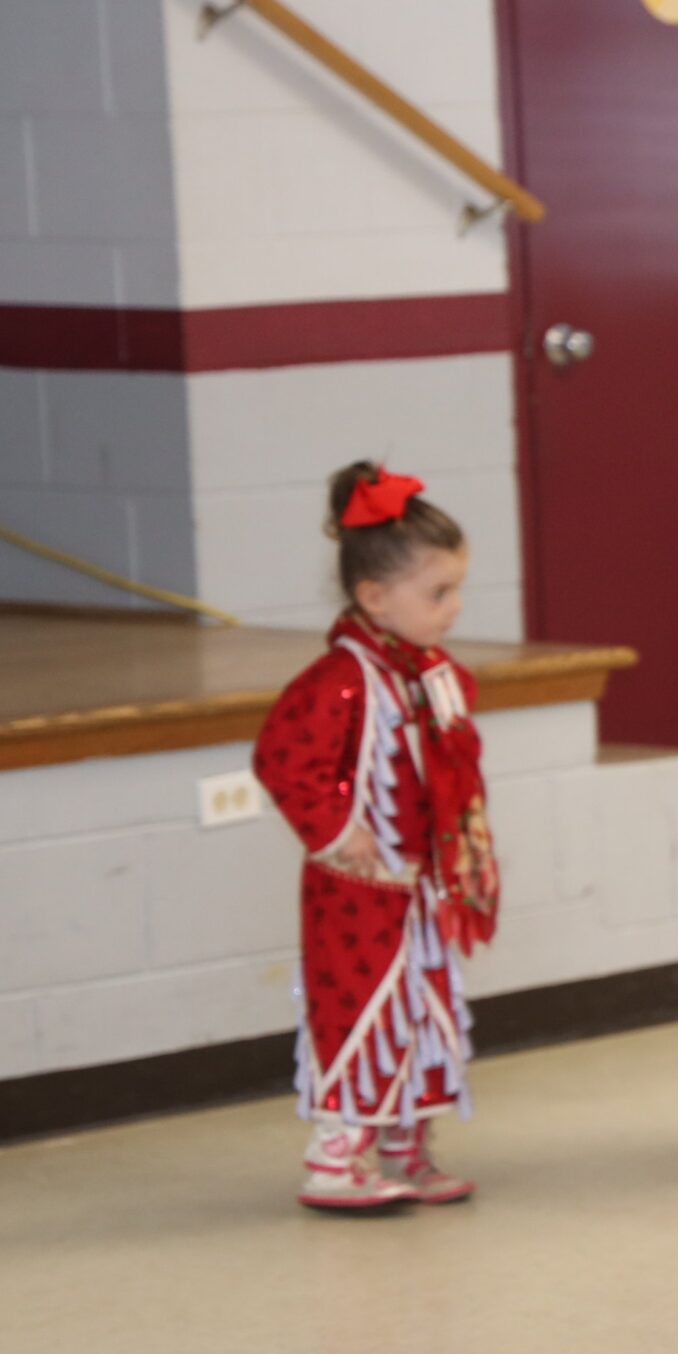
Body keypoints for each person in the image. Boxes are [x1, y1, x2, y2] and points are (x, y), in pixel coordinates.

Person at [254, 462, 497, 1212]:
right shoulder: (342, 679)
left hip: (417, 887)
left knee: (425, 1012)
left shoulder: (423, 674)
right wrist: (333, 827)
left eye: (455, 588)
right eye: (439, 593)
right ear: (374, 597)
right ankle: (337, 1157)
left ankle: (404, 1146)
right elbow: (282, 758)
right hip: (357, 892)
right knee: (362, 1012)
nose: (454, 607)